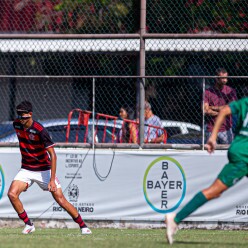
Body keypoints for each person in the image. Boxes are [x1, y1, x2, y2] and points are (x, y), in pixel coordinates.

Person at [165, 97, 248, 245]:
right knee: (214, 191)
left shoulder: (246, 101)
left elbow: (223, 110)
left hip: (239, 148)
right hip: (244, 156)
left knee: (215, 191)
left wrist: (213, 137)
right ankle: (175, 218)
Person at [7, 101, 92, 235]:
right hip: (27, 169)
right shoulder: (16, 124)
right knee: (12, 194)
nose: (20, 118)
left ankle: (83, 226)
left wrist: (52, 180)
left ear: (30, 115)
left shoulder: (41, 131)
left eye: (23, 116)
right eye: (18, 115)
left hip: (44, 170)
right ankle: (29, 225)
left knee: (60, 199)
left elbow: (53, 155)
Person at [204, 68, 237, 144]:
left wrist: (212, 107)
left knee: (227, 152)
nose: (225, 80)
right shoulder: (208, 92)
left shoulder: (230, 91)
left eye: (226, 78)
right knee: (209, 152)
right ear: (216, 78)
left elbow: (232, 107)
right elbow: (205, 110)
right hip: (211, 128)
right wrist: (222, 113)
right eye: (222, 78)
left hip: (226, 129)